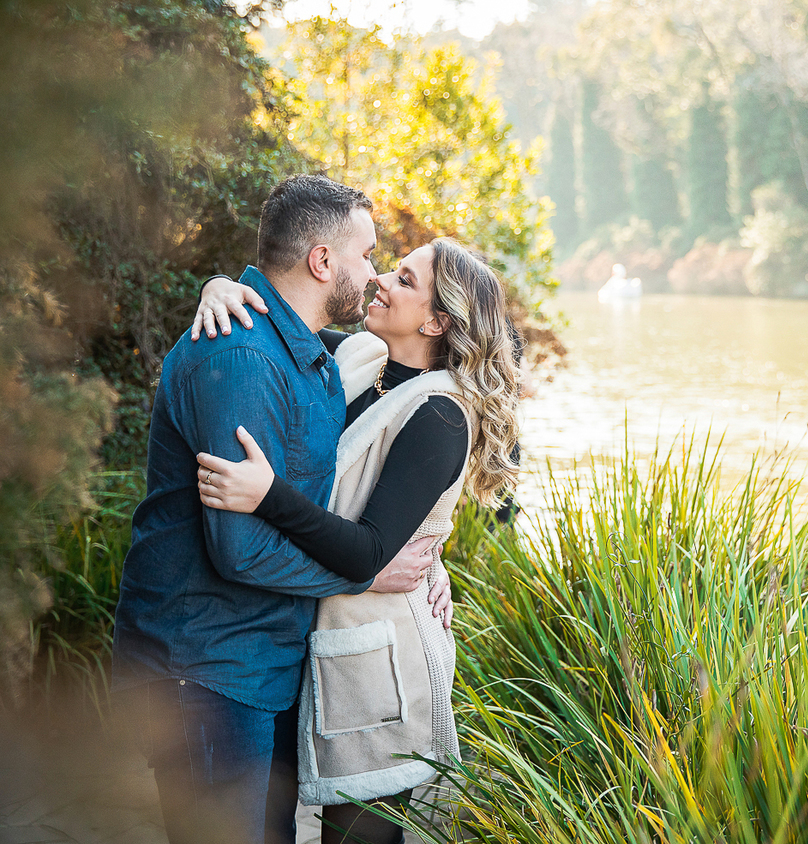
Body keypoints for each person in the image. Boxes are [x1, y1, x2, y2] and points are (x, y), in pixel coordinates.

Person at [111, 174, 445, 844]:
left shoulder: (313, 355)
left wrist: (431, 554)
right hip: (205, 668)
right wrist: (365, 575)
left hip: (265, 665)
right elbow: (239, 550)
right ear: (322, 261)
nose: (374, 275)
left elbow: (359, 483)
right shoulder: (242, 357)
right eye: (367, 255)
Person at [192, 237, 520, 844]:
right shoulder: (364, 357)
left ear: (436, 321)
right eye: (390, 270)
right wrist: (219, 287)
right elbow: (280, 321)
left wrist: (267, 495)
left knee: (357, 838)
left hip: (381, 663)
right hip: (320, 634)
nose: (380, 282)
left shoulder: (441, 416)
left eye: (404, 280)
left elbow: (369, 551)